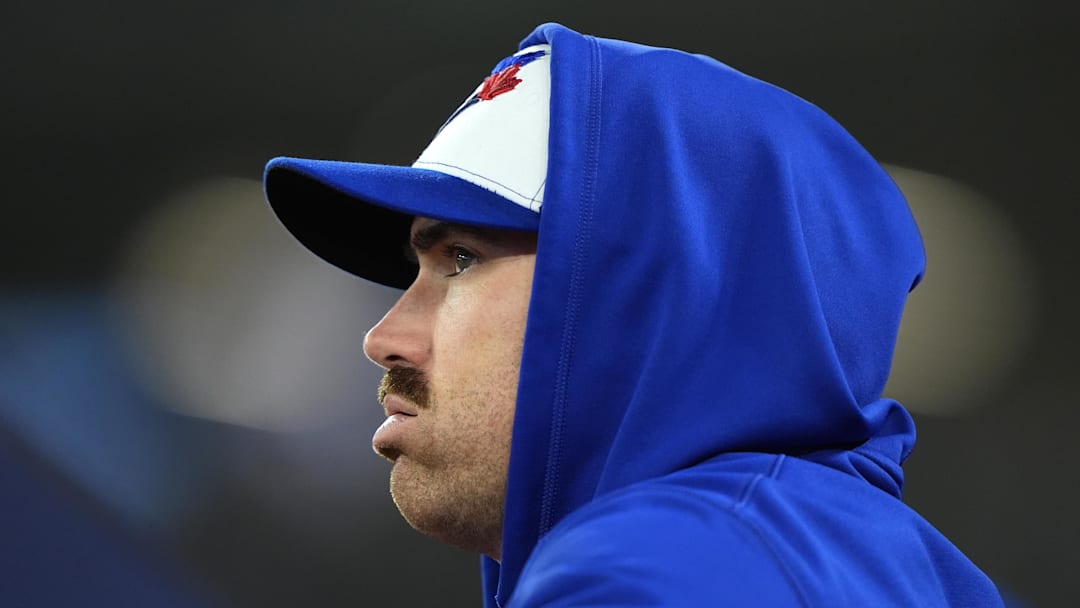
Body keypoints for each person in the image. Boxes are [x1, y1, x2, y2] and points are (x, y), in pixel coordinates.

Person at [263, 22, 1003, 607]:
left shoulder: (648, 570)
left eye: (460, 259)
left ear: (654, 301)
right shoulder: (886, 563)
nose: (383, 337)